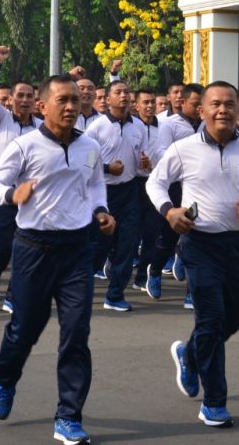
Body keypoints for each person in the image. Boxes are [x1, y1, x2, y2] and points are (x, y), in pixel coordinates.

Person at [0, 75, 115, 445]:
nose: (72, 106)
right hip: (33, 249)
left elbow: (95, 185)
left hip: (76, 250)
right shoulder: (24, 146)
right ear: (42, 106)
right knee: (25, 328)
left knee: (76, 333)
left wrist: (101, 211)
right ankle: (5, 378)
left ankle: (68, 416)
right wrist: (12, 194)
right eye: (63, 100)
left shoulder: (89, 146)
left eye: (75, 100)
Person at [146, 81, 239, 428]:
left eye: (229, 104)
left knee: (232, 320)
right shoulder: (183, 149)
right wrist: (169, 211)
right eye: (215, 104)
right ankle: (215, 401)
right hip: (199, 243)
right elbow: (155, 182)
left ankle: (189, 353)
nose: (223, 110)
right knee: (212, 319)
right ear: (201, 110)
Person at [0, 46, 42, 312]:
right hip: (2, 194)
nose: (25, 100)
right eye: (20, 95)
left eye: (29, 96)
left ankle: (13, 295)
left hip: (30, 198)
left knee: (25, 249)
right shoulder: (0, 119)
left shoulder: (41, 128)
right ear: (11, 99)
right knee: (2, 248)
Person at [85, 80, 150, 312]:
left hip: (130, 191)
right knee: (99, 245)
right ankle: (79, 285)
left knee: (127, 244)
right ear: (108, 99)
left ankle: (114, 295)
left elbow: (142, 162)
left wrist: (146, 164)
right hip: (103, 193)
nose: (123, 96)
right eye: (118, 92)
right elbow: (87, 163)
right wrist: (107, 168)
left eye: (126, 92)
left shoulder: (139, 127)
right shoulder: (96, 127)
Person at [146, 83, 204, 304]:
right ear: (183, 102)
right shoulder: (169, 124)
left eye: (202, 104)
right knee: (169, 236)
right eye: (195, 104)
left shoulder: (207, 123)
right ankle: (155, 271)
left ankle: (192, 291)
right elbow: (160, 151)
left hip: (198, 187)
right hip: (175, 186)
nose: (199, 108)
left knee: (196, 236)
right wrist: (184, 161)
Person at [133, 88, 166, 291]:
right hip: (131, 184)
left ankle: (142, 276)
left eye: (152, 101)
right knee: (129, 232)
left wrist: (154, 165)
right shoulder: (131, 126)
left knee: (152, 232)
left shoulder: (163, 127)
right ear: (136, 106)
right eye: (145, 102)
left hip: (154, 183)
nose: (150, 106)